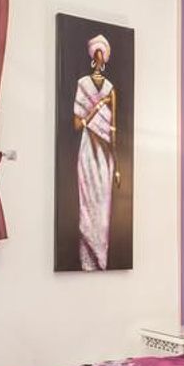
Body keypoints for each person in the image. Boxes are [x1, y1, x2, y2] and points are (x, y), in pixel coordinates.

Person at [73, 34, 119, 270]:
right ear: (93, 58)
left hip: (105, 157)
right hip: (87, 153)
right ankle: (87, 263)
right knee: (87, 209)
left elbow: (113, 130)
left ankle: (100, 260)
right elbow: (77, 124)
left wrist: (117, 167)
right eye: (96, 55)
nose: (100, 59)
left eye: (103, 55)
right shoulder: (83, 84)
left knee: (103, 212)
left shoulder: (111, 89)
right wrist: (98, 107)